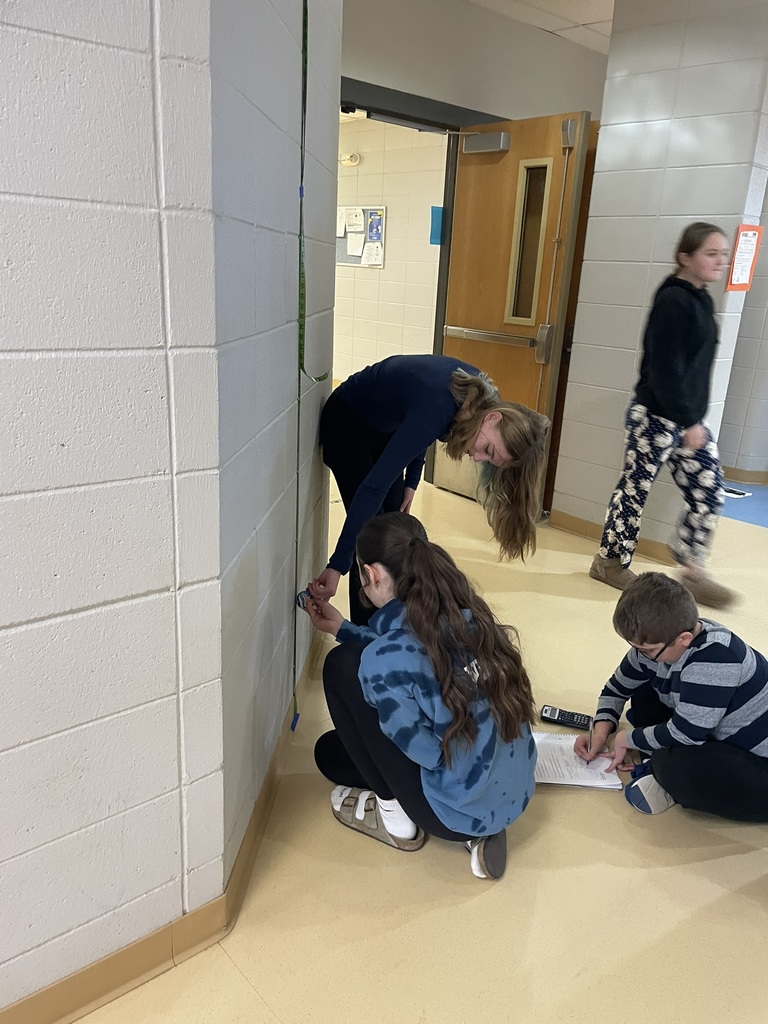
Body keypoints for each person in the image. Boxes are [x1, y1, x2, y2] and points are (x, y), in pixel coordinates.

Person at [302, 511, 538, 880]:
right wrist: (345, 629)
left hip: (454, 810)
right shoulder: (472, 616)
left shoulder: (384, 660)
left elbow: (423, 752)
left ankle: (397, 822)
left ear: (373, 575)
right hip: (515, 789)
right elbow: (418, 648)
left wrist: (367, 671)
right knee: (334, 751)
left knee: (340, 670)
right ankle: (482, 823)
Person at [309, 354, 550, 624]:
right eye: (488, 450)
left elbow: (419, 428)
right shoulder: (443, 403)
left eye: (491, 459)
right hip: (346, 422)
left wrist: (411, 481)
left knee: (398, 531)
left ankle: (391, 625)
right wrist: (336, 567)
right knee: (374, 535)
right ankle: (365, 641)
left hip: (382, 430)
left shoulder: (479, 399)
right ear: (493, 418)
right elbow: (374, 486)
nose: (479, 458)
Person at [589, 222, 735, 609]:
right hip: (655, 417)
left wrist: (693, 420)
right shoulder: (673, 300)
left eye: (723, 254)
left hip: (688, 421)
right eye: (711, 254)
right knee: (634, 490)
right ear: (685, 257)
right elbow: (664, 368)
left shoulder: (701, 298)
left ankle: (693, 569)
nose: (721, 261)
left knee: (710, 490)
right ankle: (609, 562)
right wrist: (687, 420)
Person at [575, 573, 768, 820]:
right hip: (714, 731)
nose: (638, 655)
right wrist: (600, 732)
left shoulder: (716, 657)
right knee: (645, 690)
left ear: (684, 639)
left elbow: (687, 734)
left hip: (759, 758)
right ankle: (657, 764)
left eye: (647, 650)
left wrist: (626, 738)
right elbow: (616, 689)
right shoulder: (658, 643)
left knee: (677, 769)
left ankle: (661, 772)